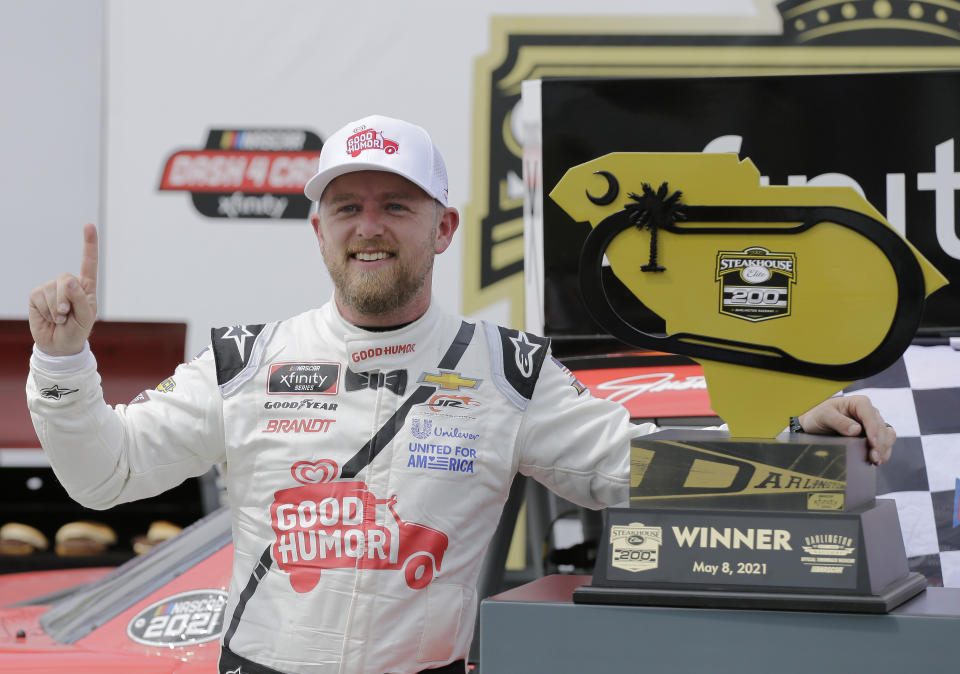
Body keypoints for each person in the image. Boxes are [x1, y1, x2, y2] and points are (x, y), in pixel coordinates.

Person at [26, 114, 896, 674]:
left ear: (442, 227)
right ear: (320, 230)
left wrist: (786, 427)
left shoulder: (506, 370)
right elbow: (105, 479)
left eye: (396, 205)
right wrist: (65, 364)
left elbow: (635, 469)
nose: (370, 227)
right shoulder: (247, 359)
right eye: (347, 207)